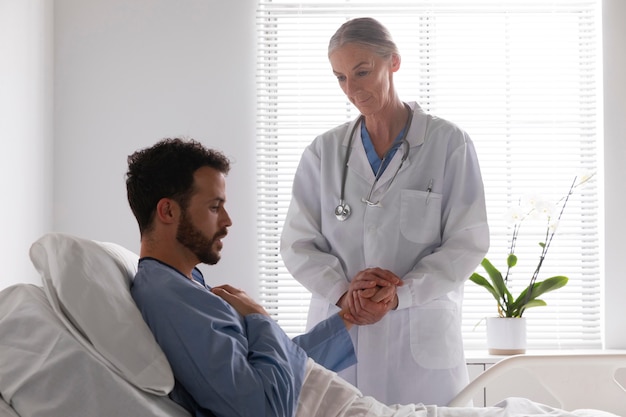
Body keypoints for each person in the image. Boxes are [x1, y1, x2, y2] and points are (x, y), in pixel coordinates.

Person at [125, 138, 605, 417]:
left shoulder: (189, 288)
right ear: (167, 211)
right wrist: (259, 318)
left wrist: (348, 318)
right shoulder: (171, 297)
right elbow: (265, 407)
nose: (227, 221)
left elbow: (275, 367)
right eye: (214, 207)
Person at [280, 17, 490, 406]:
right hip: (344, 331)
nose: (353, 89)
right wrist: (346, 293)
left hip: (420, 336)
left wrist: (398, 296)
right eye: (341, 78)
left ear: (393, 62)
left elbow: (467, 242)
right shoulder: (323, 152)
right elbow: (297, 244)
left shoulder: (448, 143)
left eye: (362, 72)